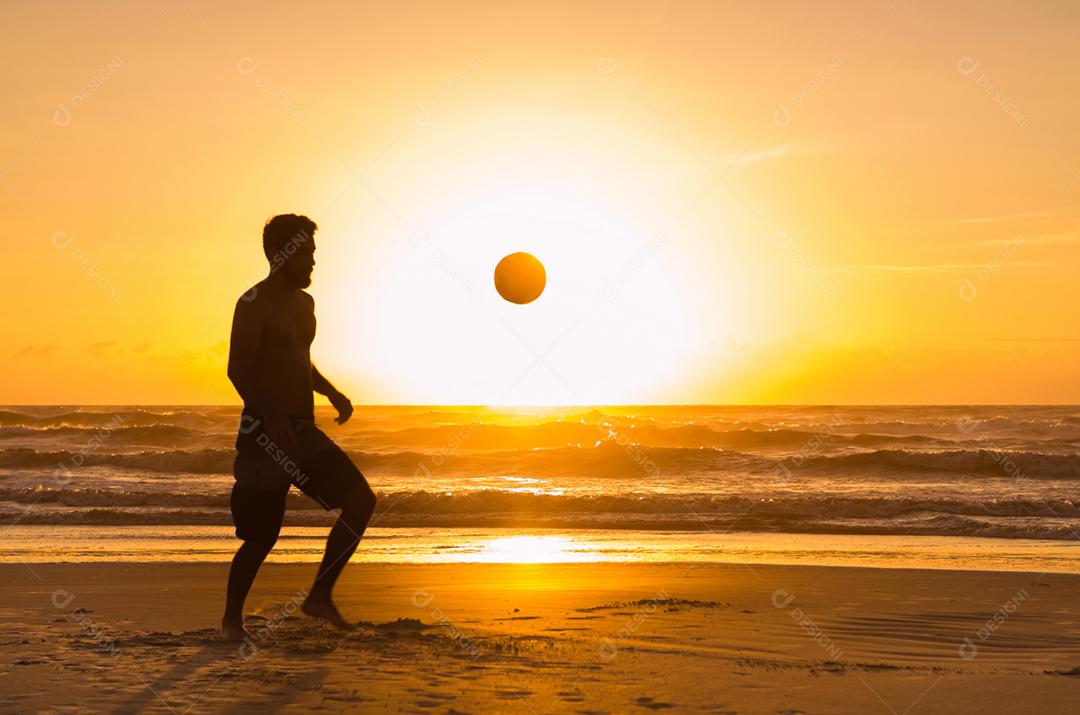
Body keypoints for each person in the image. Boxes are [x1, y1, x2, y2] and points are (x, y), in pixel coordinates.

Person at [221, 213, 376, 642]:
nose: (312, 262)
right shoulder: (253, 303)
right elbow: (239, 368)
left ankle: (320, 596)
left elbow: (298, 361)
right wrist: (270, 417)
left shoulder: (304, 305)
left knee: (360, 500)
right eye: (305, 253)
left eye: (313, 253)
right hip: (263, 435)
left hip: (302, 433)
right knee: (261, 537)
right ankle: (232, 621)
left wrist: (331, 391)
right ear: (280, 254)